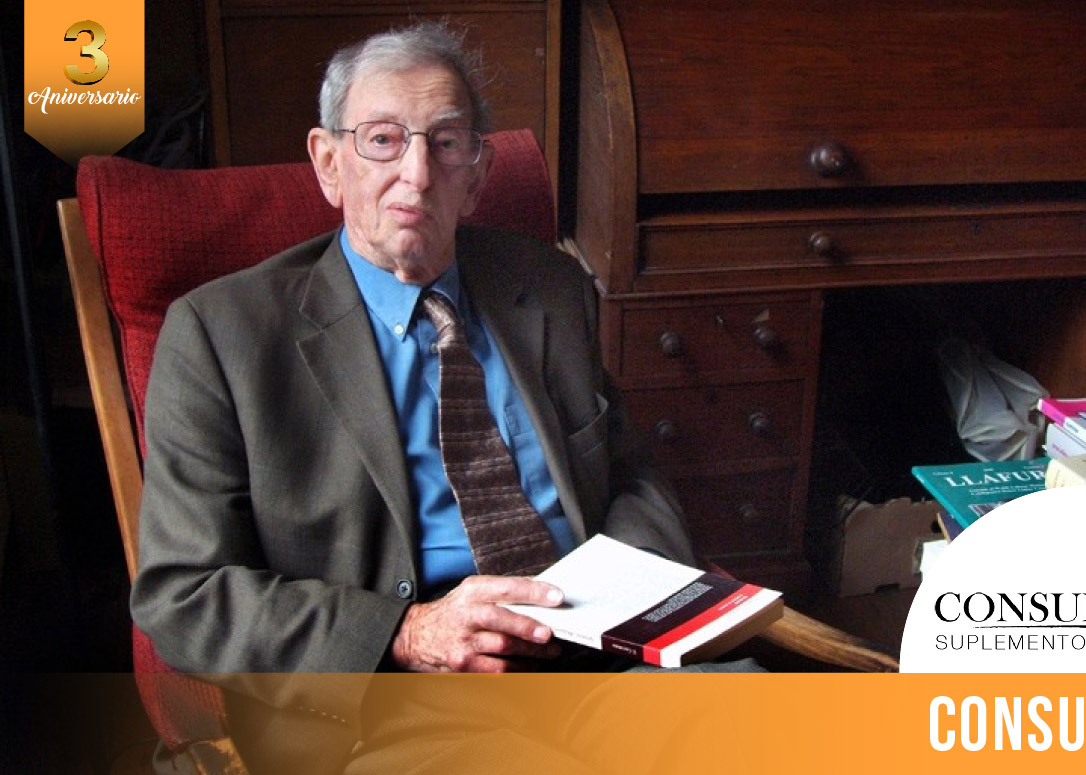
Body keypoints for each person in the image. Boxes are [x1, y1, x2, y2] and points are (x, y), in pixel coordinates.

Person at [130, 20, 756, 774]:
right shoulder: (220, 334)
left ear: (478, 174)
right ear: (329, 164)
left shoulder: (550, 287)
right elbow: (184, 595)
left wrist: (634, 595)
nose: (418, 174)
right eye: (383, 140)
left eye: (447, 142)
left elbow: (629, 471)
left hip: (599, 658)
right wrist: (406, 632)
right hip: (395, 697)